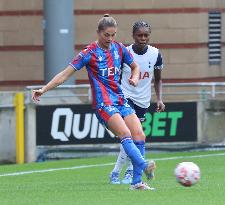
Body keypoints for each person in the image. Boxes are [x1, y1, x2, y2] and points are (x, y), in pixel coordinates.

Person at [32, 14, 156, 190]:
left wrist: (135, 78)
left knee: (139, 135)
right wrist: (43, 89)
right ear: (98, 32)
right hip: (103, 104)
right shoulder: (88, 53)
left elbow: (135, 66)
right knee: (125, 134)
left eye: (113, 35)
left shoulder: (119, 49)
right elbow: (64, 75)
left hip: (120, 100)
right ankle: (144, 166)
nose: (110, 39)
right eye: (107, 35)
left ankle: (136, 183)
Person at [109, 21, 165, 184]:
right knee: (130, 135)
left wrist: (159, 99)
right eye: (139, 35)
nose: (143, 38)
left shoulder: (155, 54)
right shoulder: (124, 53)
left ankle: (120, 171)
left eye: (146, 35)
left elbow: (158, 79)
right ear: (133, 36)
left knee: (131, 137)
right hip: (125, 97)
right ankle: (127, 171)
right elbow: (115, 78)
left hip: (143, 100)